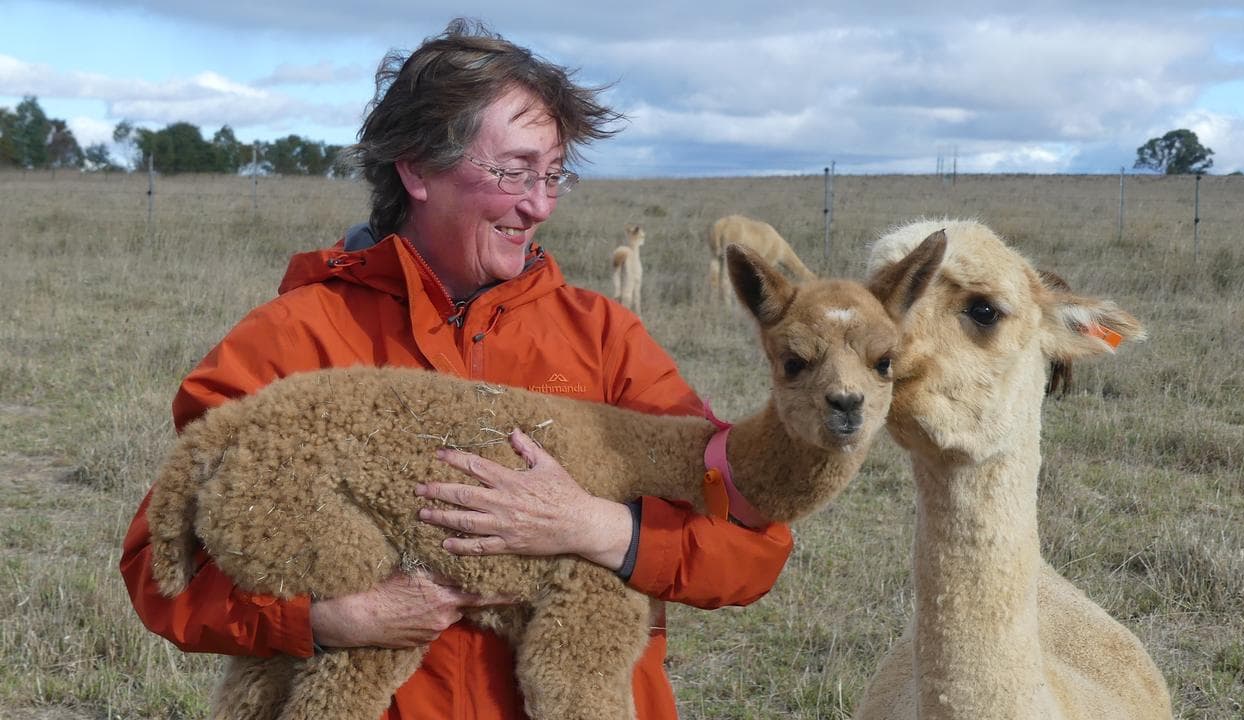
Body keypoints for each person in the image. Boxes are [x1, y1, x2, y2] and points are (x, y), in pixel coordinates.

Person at [120, 18, 793, 720]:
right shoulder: (293, 341)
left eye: (553, 175)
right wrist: (330, 621)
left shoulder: (604, 343)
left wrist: (598, 528)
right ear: (416, 168)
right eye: (513, 170)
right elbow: (160, 572)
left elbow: (751, 548)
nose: (538, 204)